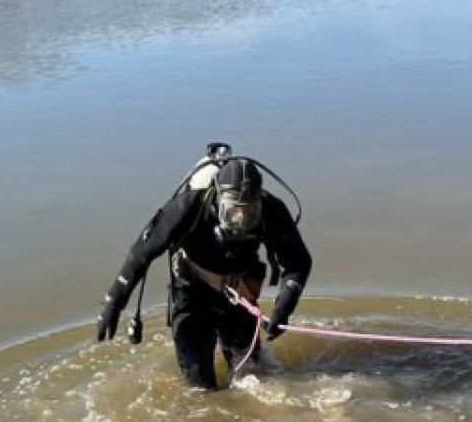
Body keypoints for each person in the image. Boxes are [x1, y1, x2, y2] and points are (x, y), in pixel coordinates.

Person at [95, 147, 312, 389]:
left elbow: (298, 262)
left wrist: (285, 304)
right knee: (200, 387)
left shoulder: (272, 211)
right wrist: (114, 301)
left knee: (253, 376)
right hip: (190, 292)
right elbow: (141, 254)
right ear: (219, 199)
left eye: (249, 213)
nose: (241, 222)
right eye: (233, 212)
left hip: (237, 294)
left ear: (259, 201)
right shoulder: (188, 208)